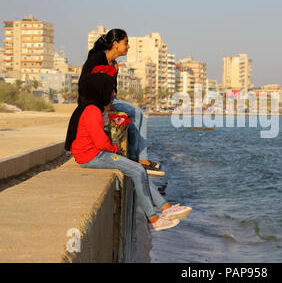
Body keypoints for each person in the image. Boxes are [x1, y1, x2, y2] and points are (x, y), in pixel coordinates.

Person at [65, 73, 192, 231]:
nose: (113, 98)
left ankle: (165, 207)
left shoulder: (94, 108)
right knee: (137, 170)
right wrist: (115, 150)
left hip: (95, 154)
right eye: (111, 94)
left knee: (137, 171)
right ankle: (153, 219)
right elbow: (100, 142)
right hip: (92, 156)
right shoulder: (92, 111)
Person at [79, 28, 161, 174]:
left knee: (139, 114)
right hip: (93, 103)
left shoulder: (114, 64)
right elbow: (85, 85)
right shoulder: (97, 58)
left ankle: (140, 158)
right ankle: (137, 159)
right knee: (134, 112)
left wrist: (110, 98)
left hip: (107, 101)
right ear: (116, 44)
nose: (128, 46)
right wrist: (104, 105)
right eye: (126, 43)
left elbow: (113, 90)